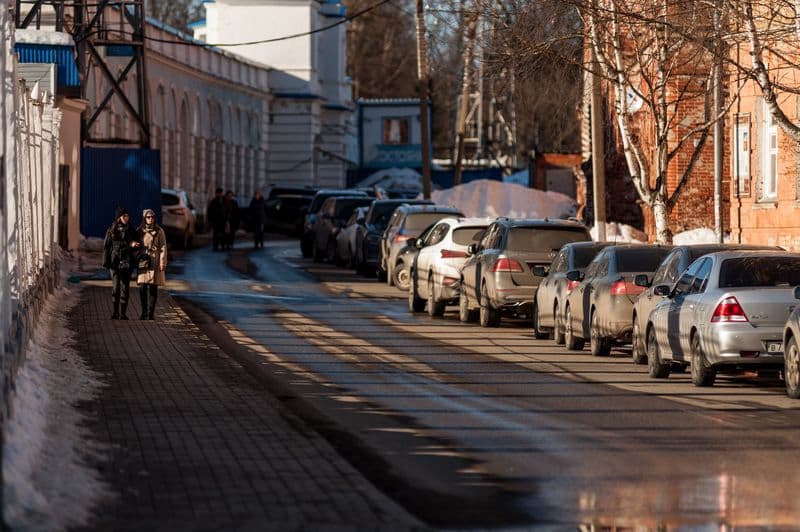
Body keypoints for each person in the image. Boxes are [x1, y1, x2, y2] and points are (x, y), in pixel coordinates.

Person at [102, 206, 141, 320]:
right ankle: (115, 313)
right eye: (124, 216)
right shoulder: (112, 229)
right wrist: (105, 262)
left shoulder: (131, 229)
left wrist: (135, 245)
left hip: (126, 262)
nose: (127, 218)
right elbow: (106, 246)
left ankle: (123, 313)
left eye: (127, 216)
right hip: (114, 263)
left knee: (125, 288)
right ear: (119, 217)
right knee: (116, 287)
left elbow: (137, 243)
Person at [136, 209, 168, 320]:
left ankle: (151, 313)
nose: (151, 219)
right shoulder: (140, 230)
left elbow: (163, 247)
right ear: (144, 218)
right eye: (148, 217)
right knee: (142, 287)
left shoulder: (159, 231)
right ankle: (144, 312)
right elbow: (135, 245)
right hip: (144, 261)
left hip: (155, 260)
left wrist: (162, 262)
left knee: (153, 288)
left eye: (152, 217)